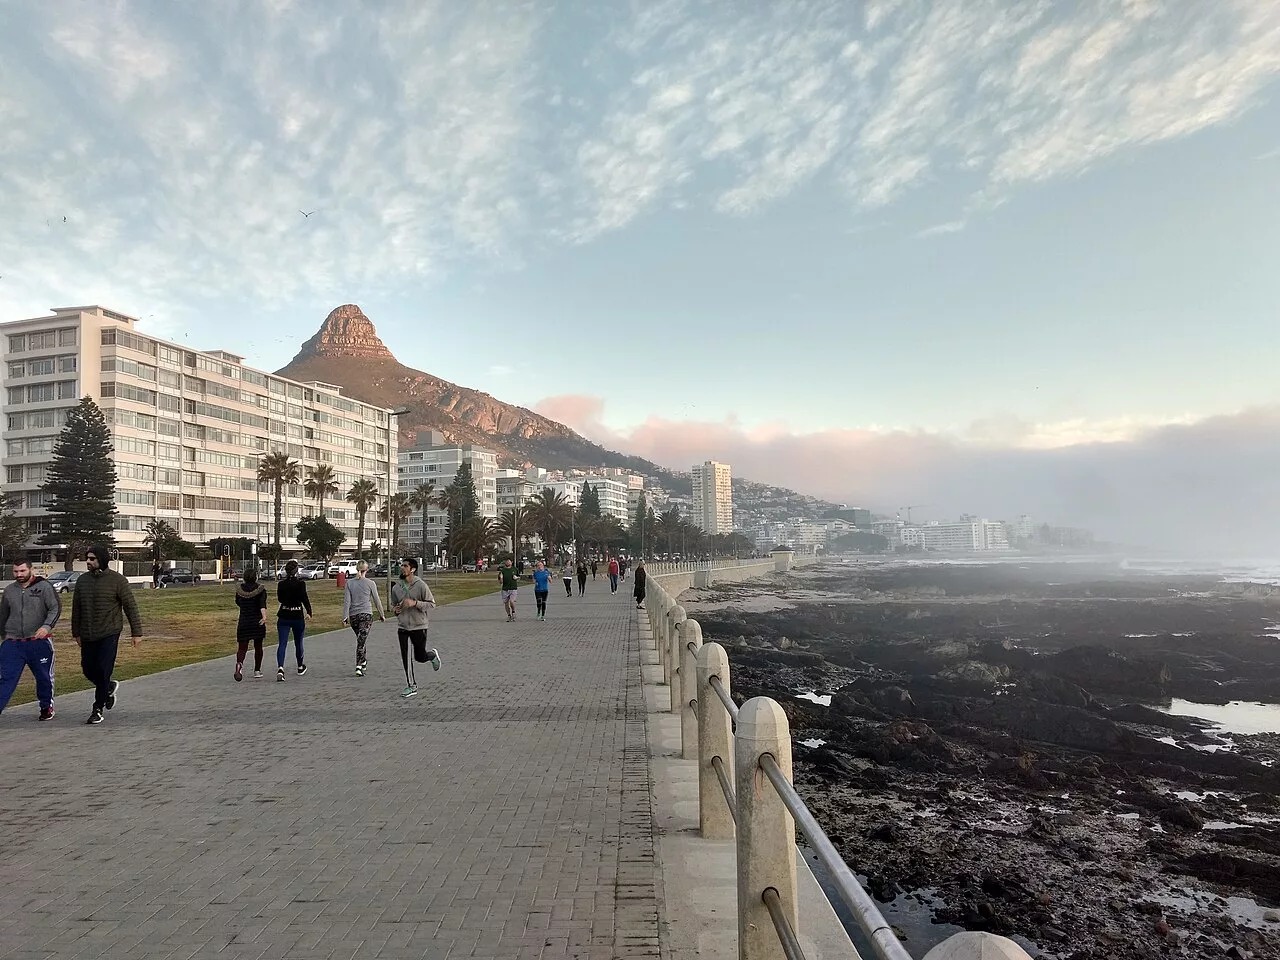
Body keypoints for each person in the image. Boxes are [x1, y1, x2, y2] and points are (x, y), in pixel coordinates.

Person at [72, 544, 143, 725]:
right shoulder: (82, 581)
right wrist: (76, 633)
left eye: (92, 559)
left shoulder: (117, 580)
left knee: (103, 669)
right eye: (87, 558)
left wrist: (136, 633)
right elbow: (76, 609)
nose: (88, 562)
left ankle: (97, 708)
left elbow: (130, 607)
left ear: (102, 560)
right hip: (88, 633)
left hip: (109, 633)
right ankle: (108, 687)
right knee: (88, 669)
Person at [0, 557, 62, 721]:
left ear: (30, 569)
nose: (19, 574)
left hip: (38, 642)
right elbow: (3, 614)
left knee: (43, 677)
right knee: (6, 679)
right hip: (13, 643)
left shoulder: (44, 587)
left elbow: (55, 608)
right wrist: (4, 636)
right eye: (16, 571)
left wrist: (46, 627)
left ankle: (46, 707)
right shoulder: (9, 591)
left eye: (22, 571)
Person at [390, 557, 440, 698]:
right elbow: (394, 605)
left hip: (419, 626)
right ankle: (411, 685)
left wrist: (415, 603)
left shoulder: (421, 585)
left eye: (405, 566)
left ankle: (431, 656)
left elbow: (432, 604)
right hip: (403, 626)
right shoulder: (396, 587)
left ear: (412, 569)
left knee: (420, 657)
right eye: (402, 565)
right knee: (406, 657)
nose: (402, 568)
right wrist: (396, 610)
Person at [342, 560, 385, 676]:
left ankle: (363, 661)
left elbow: (347, 601)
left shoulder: (349, 583)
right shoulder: (370, 583)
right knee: (361, 641)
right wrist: (381, 614)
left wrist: (345, 616)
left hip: (354, 616)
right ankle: (358, 665)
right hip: (366, 615)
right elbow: (376, 600)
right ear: (367, 570)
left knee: (361, 639)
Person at [275, 559, 312, 682]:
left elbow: (280, 599)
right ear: (296, 571)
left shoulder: (281, 584)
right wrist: (309, 611)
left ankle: (280, 668)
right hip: (297, 615)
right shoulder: (301, 584)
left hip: (284, 615)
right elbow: (304, 598)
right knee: (298, 642)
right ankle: (300, 666)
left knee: (282, 643)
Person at [233, 567, 268, 681]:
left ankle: (239, 664)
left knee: (242, 647)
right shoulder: (260, 589)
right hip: (257, 621)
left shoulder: (239, 590)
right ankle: (257, 670)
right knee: (258, 647)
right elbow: (262, 604)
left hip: (244, 621)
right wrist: (264, 616)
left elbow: (238, 602)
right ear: (255, 577)